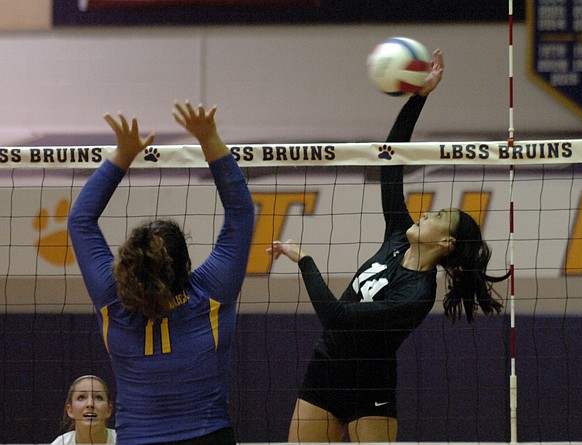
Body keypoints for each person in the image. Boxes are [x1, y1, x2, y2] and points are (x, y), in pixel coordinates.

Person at [267, 49, 509, 442]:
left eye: (437, 216)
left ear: (446, 242)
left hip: (370, 388)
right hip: (325, 370)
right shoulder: (398, 234)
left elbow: (337, 317)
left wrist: (305, 259)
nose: (425, 214)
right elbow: (389, 162)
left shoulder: (416, 295)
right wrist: (421, 96)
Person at [67, 101, 255, 444]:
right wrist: (208, 138)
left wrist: (122, 155)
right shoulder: (210, 292)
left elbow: (79, 221)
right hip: (207, 435)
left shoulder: (112, 298)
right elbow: (241, 213)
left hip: (139, 439)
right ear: (185, 265)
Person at [51, 375, 116, 445]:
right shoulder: (60, 443)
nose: (90, 404)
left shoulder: (124, 440)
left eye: (98, 398)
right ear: (70, 410)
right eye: (81, 397)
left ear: (109, 410)